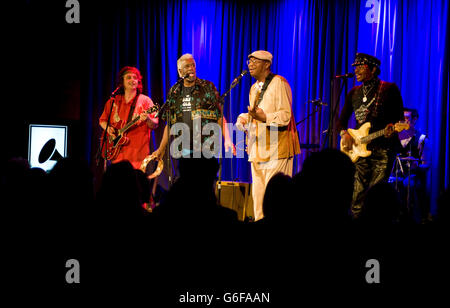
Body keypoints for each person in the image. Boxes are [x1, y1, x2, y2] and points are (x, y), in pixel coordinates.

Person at [235, 50, 301, 221]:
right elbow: (256, 114)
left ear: (267, 65)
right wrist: (244, 119)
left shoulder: (279, 83)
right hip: (257, 150)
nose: (250, 64)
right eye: (249, 61)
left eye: (254, 61)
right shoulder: (253, 88)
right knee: (258, 200)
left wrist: (263, 117)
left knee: (276, 201)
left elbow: (285, 116)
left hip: (277, 150)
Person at [338, 53, 404, 219]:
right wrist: (344, 133)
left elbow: (400, 119)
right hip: (359, 151)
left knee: (376, 197)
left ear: (373, 69)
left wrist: (391, 129)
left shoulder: (389, 89)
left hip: (383, 150)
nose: (356, 70)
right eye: (355, 67)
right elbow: (341, 121)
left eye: (361, 66)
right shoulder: (353, 92)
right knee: (357, 196)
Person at [152, 54, 234, 174]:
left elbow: (219, 116)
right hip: (184, 149)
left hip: (206, 149)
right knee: (188, 187)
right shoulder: (175, 92)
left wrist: (227, 138)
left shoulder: (207, 87)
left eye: (193, 65)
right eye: (187, 66)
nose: (191, 68)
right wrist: (161, 149)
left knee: (205, 187)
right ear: (180, 71)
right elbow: (170, 124)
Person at [99, 66, 158, 169]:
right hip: (116, 156)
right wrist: (108, 129)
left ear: (138, 81)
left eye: (135, 78)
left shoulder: (145, 101)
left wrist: (148, 119)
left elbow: (155, 124)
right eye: (128, 77)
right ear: (122, 81)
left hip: (138, 157)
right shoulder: (113, 101)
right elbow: (102, 121)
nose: (132, 80)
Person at [395, 107, 430, 223]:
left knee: (408, 183)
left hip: (413, 174)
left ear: (414, 120)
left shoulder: (421, 139)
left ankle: (408, 218)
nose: (404, 121)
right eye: (402, 119)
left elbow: (426, 165)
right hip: (397, 173)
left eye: (407, 118)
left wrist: (416, 164)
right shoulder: (395, 137)